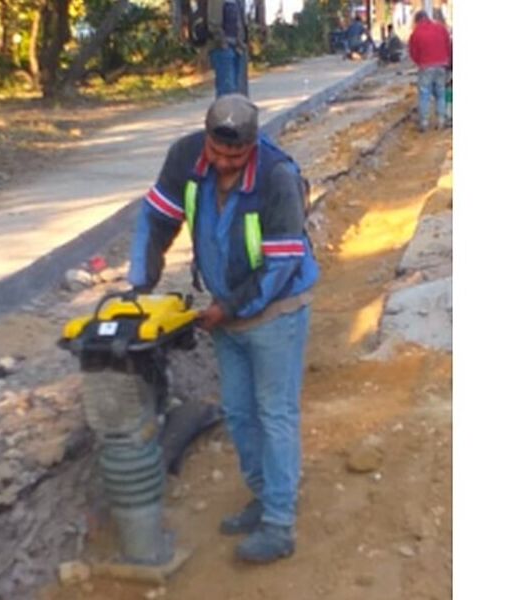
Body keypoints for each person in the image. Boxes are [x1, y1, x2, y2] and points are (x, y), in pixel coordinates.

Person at [127, 94, 319, 563]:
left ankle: (279, 523)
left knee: (275, 413)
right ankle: (263, 494)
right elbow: (155, 220)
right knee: (237, 411)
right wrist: (138, 284)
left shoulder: (277, 177)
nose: (225, 162)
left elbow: (281, 267)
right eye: (218, 151)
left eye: (236, 155)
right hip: (226, 313)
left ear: (253, 144)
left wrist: (228, 308)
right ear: (207, 136)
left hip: (275, 313)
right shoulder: (185, 157)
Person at [408, 10, 452, 131]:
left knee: (424, 94)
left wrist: (420, 63)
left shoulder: (415, 33)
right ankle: (442, 120)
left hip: (425, 66)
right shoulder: (441, 28)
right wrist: (447, 62)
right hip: (442, 65)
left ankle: (424, 122)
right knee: (441, 93)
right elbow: (449, 46)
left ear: (417, 21)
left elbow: (413, 52)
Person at [208, 0, 249, 97]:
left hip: (237, 47)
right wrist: (222, 41)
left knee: (238, 92)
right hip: (222, 48)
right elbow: (213, 22)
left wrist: (242, 43)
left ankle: (235, 111)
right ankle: (226, 112)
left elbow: (241, 22)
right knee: (227, 90)